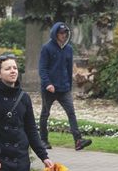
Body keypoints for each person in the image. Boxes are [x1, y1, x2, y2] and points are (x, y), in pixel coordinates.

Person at [38, 22, 92, 151]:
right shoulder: (47, 48)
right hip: (49, 89)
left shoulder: (68, 49)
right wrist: (48, 83)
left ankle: (78, 141)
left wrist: (69, 85)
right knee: (45, 114)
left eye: (65, 33)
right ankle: (43, 140)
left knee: (71, 113)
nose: (63, 35)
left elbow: (68, 69)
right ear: (55, 34)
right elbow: (42, 69)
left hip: (64, 89)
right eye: (61, 33)